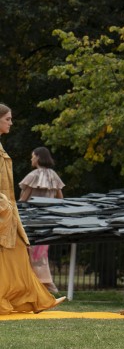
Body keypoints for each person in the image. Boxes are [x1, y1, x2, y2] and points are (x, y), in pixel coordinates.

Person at [0, 104, 63, 314]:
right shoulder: (49, 175)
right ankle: (35, 298)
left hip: (12, 213)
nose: (11, 122)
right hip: (7, 211)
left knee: (20, 254)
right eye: (7, 119)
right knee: (20, 255)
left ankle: (36, 299)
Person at [19, 146, 64, 294]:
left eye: (32, 156)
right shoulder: (54, 176)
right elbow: (60, 199)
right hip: (48, 221)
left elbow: (23, 200)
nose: (31, 159)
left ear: (38, 157)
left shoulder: (33, 176)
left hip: (31, 221)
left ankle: (45, 286)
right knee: (41, 252)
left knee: (31, 252)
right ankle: (43, 286)